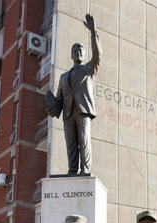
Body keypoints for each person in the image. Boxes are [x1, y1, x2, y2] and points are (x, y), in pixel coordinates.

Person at [44, 14, 101, 175]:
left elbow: (98, 56)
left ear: (84, 54)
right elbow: (59, 101)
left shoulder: (89, 69)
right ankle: (72, 170)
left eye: (80, 50)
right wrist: (51, 106)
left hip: (83, 112)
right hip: (68, 113)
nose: (77, 52)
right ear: (71, 55)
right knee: (70, 144)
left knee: (84, 141)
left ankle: (86, 169)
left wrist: (93, 32)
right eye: (74, 50)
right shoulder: (63, 77)